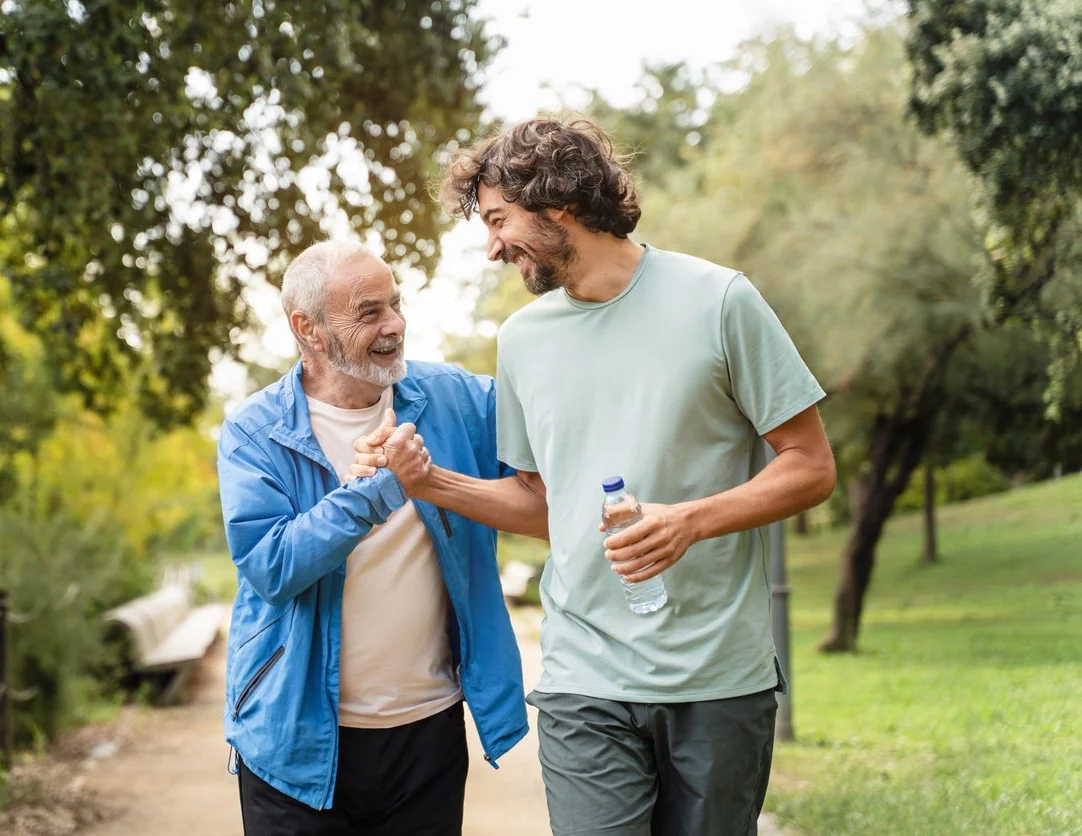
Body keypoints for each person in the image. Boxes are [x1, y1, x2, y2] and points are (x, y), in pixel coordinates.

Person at [350, 118, 837, 836]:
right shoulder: (522, 342)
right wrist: (427, 484)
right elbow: (543, 504)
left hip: (718, 679)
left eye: (498, 220)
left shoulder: (720, 301)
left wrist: (689, 521)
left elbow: (812, 467)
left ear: (558, 204)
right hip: (584, 681)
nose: (492, 248)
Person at [216, 240, 531, 836]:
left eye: (396, 304)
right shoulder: (253, 432)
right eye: (368, 312)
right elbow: (271, 567)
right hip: (294, 741)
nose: (395, 325)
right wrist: (376, 490)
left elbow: (549, 442)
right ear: (306, 328)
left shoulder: (456, 400)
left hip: (427, 735)